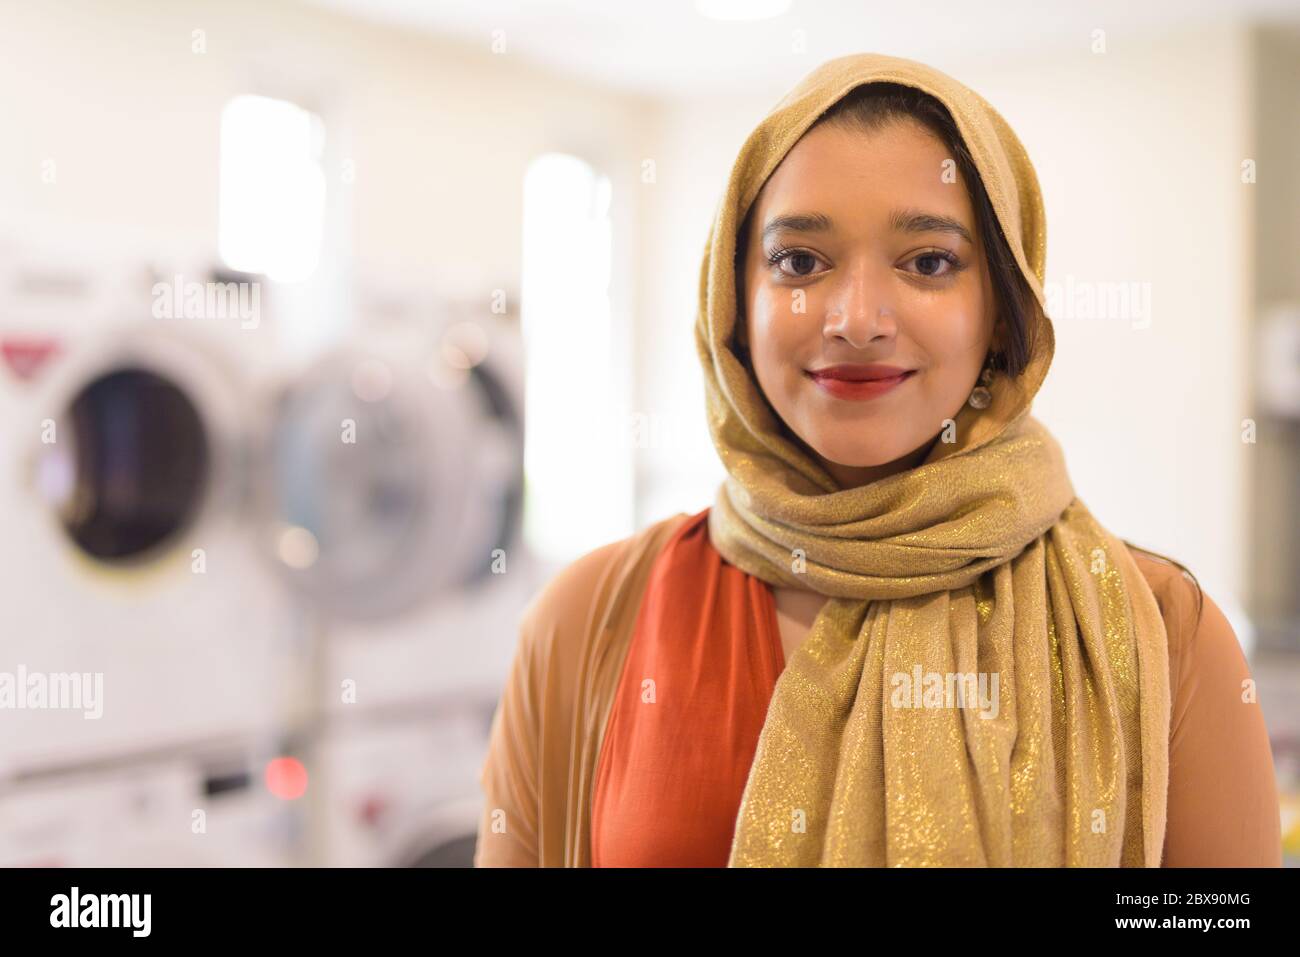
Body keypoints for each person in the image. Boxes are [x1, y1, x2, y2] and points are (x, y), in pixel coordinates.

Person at [474, 53, 1282, 867]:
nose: (857, 319)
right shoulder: (586, 621)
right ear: (734, 304)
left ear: (1003, 311)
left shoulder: (1165, 635)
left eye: (928, 262)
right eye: (799, 262)